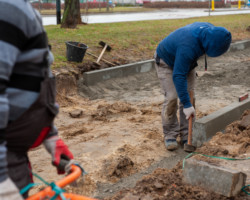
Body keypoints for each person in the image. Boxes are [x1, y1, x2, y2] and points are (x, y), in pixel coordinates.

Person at [0, 0, 74, 199]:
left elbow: (27, 83)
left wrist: (50, 136)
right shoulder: (7, 10)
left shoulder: (20, 9)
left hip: (13, 155)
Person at [154, 22, 231, 151]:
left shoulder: (211, 32)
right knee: (172, 97)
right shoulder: (188, 46)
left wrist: (188, 102)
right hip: (166, 61)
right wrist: (187, 104)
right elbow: (178, 75)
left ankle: (186, 134)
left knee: (190, 96)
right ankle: (170, 134)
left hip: (185, 61)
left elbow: (183, 70)